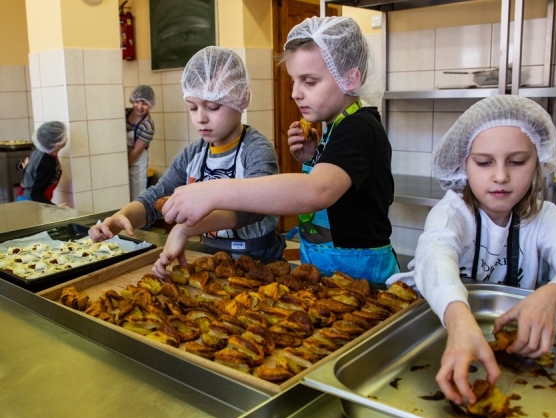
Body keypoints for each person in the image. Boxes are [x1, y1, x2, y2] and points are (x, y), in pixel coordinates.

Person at [387, 95, 556, 405]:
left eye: (517, 162)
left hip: (509, 352)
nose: (501, 176)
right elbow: (434, 255)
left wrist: (551, 296)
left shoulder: (543, 217)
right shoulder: (453, 213)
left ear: (539, 162)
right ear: (463, 164)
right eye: (484, 162)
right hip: (441, 330)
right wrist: (459, 319)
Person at [159, 16, 400, 283]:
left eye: (309, 82)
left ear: (350, 78)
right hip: (329, 271)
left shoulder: (359, 127)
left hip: (364, 277)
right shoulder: (335, 128)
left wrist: (212, 192)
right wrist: (313, 158)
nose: (295, 93)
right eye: (294, 81)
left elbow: (318, 191)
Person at [89, 46, 286, 264]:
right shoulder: (193, 155)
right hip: (210, 258)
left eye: (212, 107)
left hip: (260, 261)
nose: (200, 118)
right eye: (193, 107)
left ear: (242, 99)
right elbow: (157, 197)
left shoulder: (256, 149)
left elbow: (254, 208)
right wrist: (123, 218)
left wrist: (184, 229)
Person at [17, 121, 67, 205]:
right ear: (57, 145)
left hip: (24, 197)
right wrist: (55, 208)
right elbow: (36, 194)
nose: (66, 138)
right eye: (64, 136)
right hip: (32, 203)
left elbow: (29, 172)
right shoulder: (48, 164)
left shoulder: (38, 151)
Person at [126, 85, 156, 201]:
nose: (139, 106)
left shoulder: (148, 125)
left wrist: (122, 168)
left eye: (144, 103)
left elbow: (136, 151)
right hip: (123, 160)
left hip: (137, 163)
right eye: (137, 102)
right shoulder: (124, 113)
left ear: (151, 105)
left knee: (136, 198)